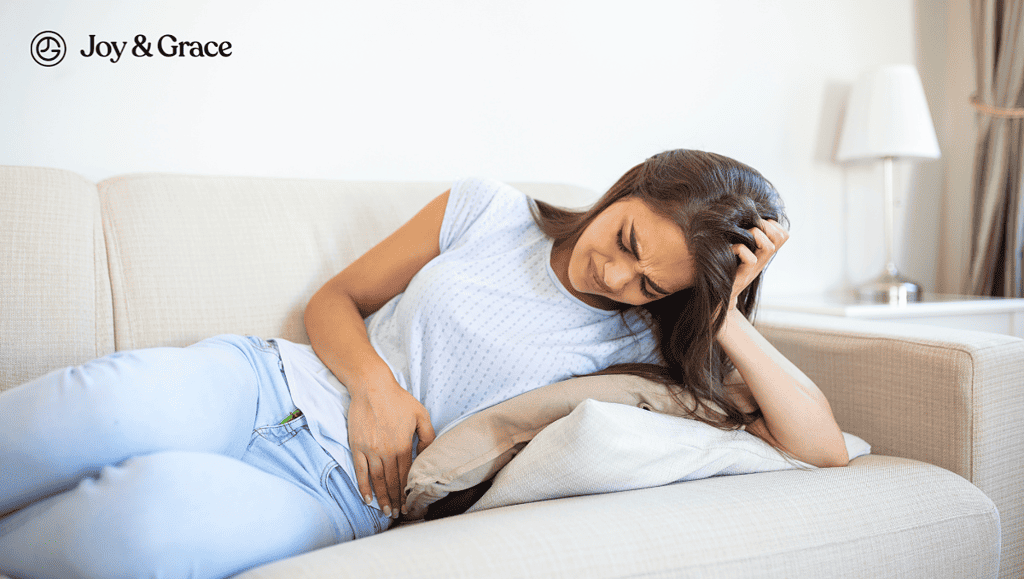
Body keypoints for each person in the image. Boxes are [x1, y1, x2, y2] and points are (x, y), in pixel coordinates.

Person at [0, 149, 847, 579]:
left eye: (648, 282)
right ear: (627, 188)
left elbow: (822, 446)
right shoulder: (489, 210)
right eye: (626, 242)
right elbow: (334, 299)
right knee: (102, 404)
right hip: (266, 381)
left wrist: (725, 311)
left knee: (149, 517)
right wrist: (374, 384)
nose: (616, 276)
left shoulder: (643, 346)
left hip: (338, 494)